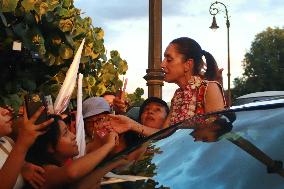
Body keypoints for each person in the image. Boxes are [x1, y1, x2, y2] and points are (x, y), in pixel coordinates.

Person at [25, 114, 118, 189]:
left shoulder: (65, 162)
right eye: (65, 133)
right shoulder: (40, 172)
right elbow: (71, 173)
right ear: (50, 147)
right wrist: (108, 145)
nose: (73, 135)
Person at [0, 105, 53, 189]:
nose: (6, 111)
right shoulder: (16, 145)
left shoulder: (6, 141)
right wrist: (22, 144)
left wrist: (23, 166)